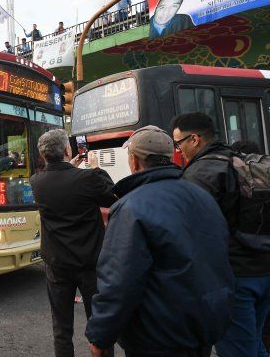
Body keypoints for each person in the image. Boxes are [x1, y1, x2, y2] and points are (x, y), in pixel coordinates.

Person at [86, 126, 235, 357]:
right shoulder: (202, 195)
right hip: (204, 325)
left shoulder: (131, 207)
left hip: (158, 336)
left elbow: (119, 281)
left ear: (134, 161)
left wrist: (100, 335)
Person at [171, 113, 270, 357]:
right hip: (264, 269)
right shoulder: (240, 159)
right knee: (256, 343)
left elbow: (190, 235)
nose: (178, 149)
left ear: (194, 139)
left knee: (237, 349)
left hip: (234, 278)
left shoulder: (200, 174)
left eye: (179, 142)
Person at [29, 129, 116, 357]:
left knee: (61, 328)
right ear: (68, 150)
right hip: (90, 264)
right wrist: (96, 167)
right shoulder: (90, 178)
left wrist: (73, 168)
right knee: (100, 324)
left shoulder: (37, 181)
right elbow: (113, 197)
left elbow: (63, 182)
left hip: (57, 265)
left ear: (43, 156)